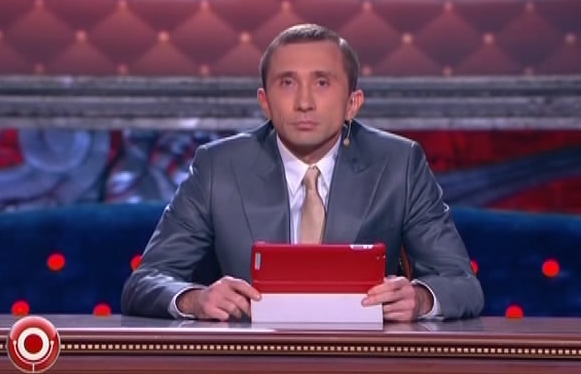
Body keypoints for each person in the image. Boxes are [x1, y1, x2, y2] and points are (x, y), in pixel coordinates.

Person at [120, 23, 484, 322]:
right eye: (287, 83)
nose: (304, 102)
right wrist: (195, 300)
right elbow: (146, 281)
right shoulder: (218, 166)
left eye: (322, 82)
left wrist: (420, 299)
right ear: (265, 102)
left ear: (352, 103)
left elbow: (461, 282)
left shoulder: (399, 163)